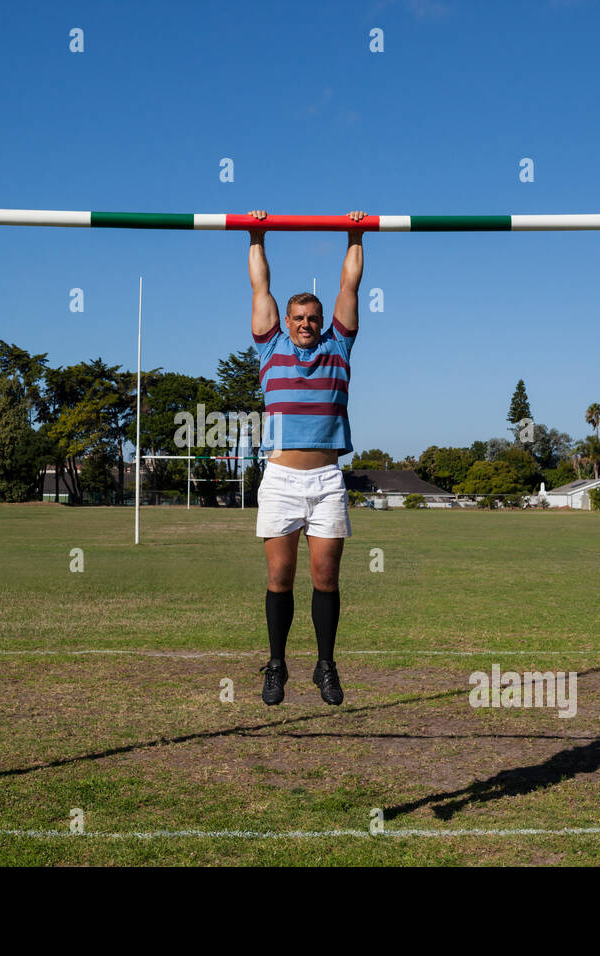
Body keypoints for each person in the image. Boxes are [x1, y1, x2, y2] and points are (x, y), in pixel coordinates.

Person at [247, 209, 364, 706]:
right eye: (298, 318)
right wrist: (256, 234)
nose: (306, 324)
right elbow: (260, 287)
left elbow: (350, 283)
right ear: (285, 323)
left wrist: (355, 233)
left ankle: (325, 665)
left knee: (325, 577)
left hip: (327, 481)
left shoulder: (340, 346)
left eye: (312, 318)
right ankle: (276, 666)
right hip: (280, 479)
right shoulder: (269, 348)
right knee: (279, 578)